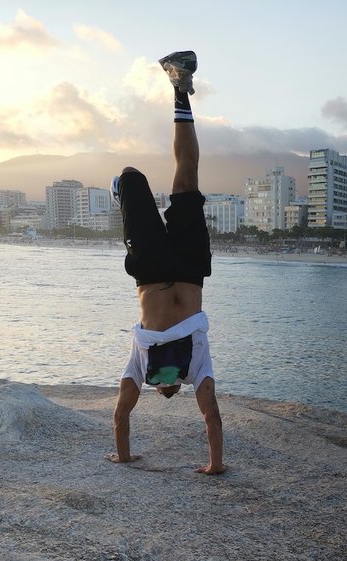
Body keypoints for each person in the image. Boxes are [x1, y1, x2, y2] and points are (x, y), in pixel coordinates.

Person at [106, 50, 225, 475]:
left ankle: (179, 91)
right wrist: (122, 453)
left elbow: (212, 419)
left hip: (181, 270)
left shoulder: (197, 370)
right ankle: (179, 89)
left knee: (183, 174)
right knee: (139, 177)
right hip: (160, 268)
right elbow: (121, 417)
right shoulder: (147, 368)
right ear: (161, 389)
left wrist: (216, 465)